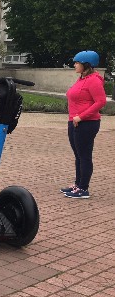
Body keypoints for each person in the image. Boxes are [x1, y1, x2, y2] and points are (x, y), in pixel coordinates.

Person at [61, 50, 106, 199]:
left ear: (86, 64)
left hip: (86, 123)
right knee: (78, 156)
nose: (74, 65)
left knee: (84, 156)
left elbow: (101, 101)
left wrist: (81, 116)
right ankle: (78, 184)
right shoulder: (82, 79)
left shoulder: (94, 80)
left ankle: (83, 188)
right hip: (74, 122)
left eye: (77, 63)